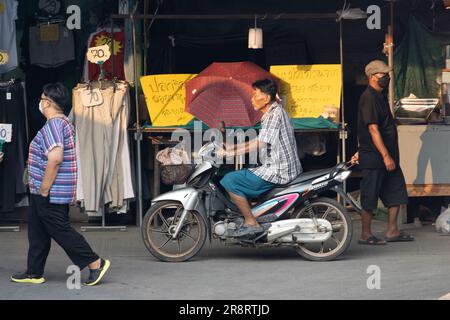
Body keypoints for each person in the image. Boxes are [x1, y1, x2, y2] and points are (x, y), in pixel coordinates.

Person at [11, 83, 111, 285]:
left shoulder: (54, 126)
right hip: (47, 190)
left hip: (50, 190)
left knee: (60, 229)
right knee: (37, 230)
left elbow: (55, 158)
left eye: (41, 99)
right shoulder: (63, 123)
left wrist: (45, 188)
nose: (40, 103)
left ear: (47, 102)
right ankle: (34, 272)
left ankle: (95, 263)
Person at [220, 79, 303, 237]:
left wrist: (231, 153)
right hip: (278, 166)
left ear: (266, 98)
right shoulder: (272, 113)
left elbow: (260, 143)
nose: (251, 99)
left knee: (230, 180)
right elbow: (259, 141)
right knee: (242, 175)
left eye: (254, 94)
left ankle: (251, 222)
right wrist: (232, 148)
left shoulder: (274, 114)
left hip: (278, 170)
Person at [351, 60, 414, 245]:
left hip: (388, 155)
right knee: (370, 195)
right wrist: (385, 155)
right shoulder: (368, 97)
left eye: (387, 74)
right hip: (376, 156)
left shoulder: (381, 95)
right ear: (372, 77)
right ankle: (365, 234)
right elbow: (372, 129)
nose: (387, 77)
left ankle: (392, 230)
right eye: (383, 74)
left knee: (396, 191)